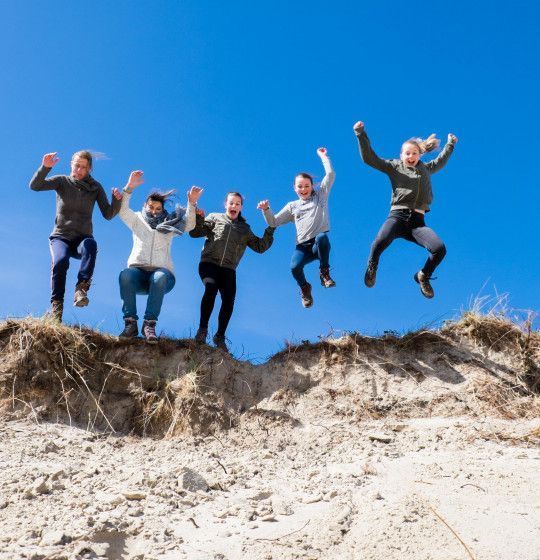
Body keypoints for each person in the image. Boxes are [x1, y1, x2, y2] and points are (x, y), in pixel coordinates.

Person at [353, 121, 458, 298]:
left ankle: (423, 276)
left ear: (419, 155)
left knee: (440, 249)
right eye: (407, 153)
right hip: (397, 217)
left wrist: (450, 145)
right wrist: (360, 133)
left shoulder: (425, 168)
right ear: (401, 155)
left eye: (414, 153)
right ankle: (372, 265)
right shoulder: (394, 166)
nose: (411, 156)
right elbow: (369, 158)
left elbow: (441, 161)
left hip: (418, 223)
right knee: (380, 242)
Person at [30, 150, 122, 322]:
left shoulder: (95, 188)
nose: (79, 170)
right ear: (71, 164)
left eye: (83, 167)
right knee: (60, 261)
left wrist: (117, 201)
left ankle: (81, 289)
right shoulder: (62, 181)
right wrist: (45, 168)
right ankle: (56, 310)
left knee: (91, 245)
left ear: (89, 169)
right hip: (61, 237)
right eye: (76, 166)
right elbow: (35, 186)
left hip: (81, 238)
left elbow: (108, 214)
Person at [117, 171, 203, 343]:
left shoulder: (170, 224)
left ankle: (149, 324)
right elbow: (122, 210)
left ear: (163, 210)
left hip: (162, 278)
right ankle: (130, 324)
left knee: (159, 277)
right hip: (138, 275)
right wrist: (129, 187)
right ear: (145, 205)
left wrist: (192, 202)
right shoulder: (137, 220)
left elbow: (189, 224)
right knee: (125, 275)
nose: (154, 211)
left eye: (158, 209)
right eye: (151, 207)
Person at [190, 192, 274, 352]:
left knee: (228, 300)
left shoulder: (244, 229)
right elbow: (194, 233)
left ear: (241, 207)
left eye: (237, 204)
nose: (234, 206)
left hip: (229, 269)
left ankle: (219, 336)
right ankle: (202, 330)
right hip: (209, 263)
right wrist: (199, 217)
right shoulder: (215, 217)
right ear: (225, 204)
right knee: (210, 288)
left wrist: (271, 227)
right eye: (231, 203)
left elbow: (260, 247)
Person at [258, 147, 336, 308]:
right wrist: (266, 210)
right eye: (300, 186)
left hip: (318, 246)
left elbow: (330, 175)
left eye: (306, 186)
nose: (303, 189)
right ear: (295, 188)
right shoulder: (292, 206)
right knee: (294, 267)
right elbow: (273, 222)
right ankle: (305, 288)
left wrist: (324, 157)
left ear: (312, 186)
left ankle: (324, 273)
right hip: (303, 247)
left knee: (322, 237)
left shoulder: (321, 195)